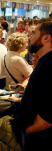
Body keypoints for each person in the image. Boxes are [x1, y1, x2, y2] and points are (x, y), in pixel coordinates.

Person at [14, 18, 52, 150]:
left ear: (46, 38)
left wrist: (26, 131)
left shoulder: (48, 65)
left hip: (40, 139)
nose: (30, 37)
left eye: (34, 33)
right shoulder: (44, 61)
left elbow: (48, 116)